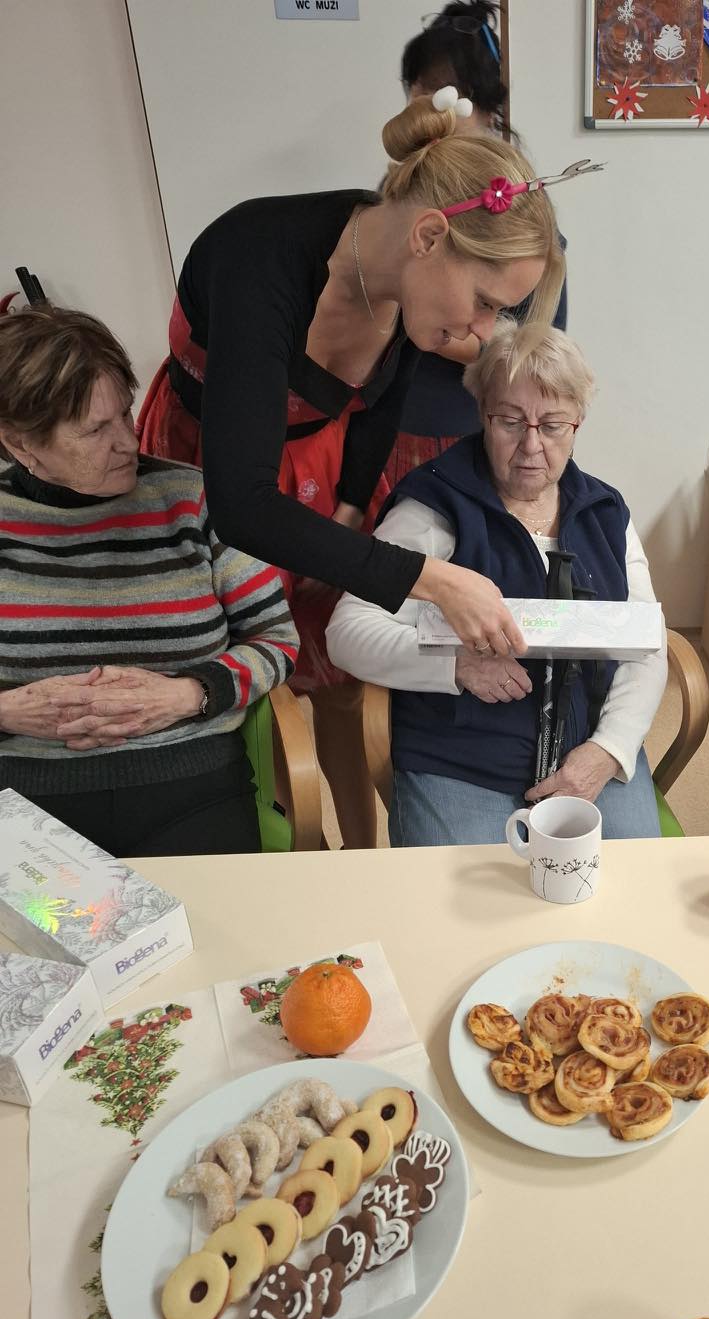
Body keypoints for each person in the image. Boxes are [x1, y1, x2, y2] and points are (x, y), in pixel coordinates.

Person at [137, 90, 567, 843]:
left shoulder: (401, 270)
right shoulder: (258, 259)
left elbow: (378, 404)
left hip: (322, 461)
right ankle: (290, 832)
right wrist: (432, 578)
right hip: (216, 463)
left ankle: (361, 844)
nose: (482, 331)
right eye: (484, 303)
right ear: (430, 236)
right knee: (252, 669)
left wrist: (346, 507)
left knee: (340, 669)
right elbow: (241, 502)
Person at [326, 320, 667, 847]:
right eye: (510, 421)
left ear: (577, 424)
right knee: (466, 893)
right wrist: (454, 665)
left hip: (588, 754)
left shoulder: (605, 513)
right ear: (482, 413)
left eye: (552, 425)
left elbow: (647, 643)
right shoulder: (435, 506)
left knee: (632, 884)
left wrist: (609, 750)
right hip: (460, 760)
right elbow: (347, 631)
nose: (531, 445)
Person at [0, 307, 299, 857]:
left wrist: (188, 694)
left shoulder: (194, 498)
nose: (128, 442)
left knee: (214, 913)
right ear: (21, 444)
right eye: (96, 429)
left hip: (192, 783)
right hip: (25, 798)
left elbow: (277, 640)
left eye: (125, 413)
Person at [363, 2, 570, 532]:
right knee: (389, 549)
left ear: (482, 106)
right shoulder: (401, 197)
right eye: (416, 92)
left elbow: (535, 343)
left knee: (460, 550)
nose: (427, 110)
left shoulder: (519, 220)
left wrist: (424, 324)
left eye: (442, 94)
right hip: (382, 418)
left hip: (458, 424)